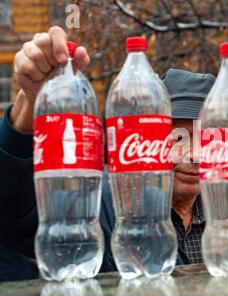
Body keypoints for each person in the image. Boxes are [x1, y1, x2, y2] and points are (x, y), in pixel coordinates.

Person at [0, 26, 215, 282]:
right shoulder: (97, 200)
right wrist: (31, 105)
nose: (195, 154)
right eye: (177, 137)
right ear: (144, 139)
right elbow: (13, 223)